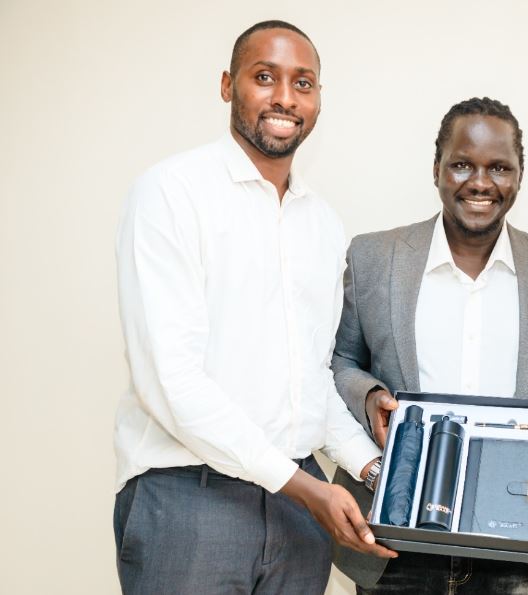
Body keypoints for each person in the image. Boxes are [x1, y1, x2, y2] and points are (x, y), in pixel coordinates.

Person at [113, 20, 395, 594]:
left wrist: (378, 472)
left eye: (304, 83)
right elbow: (171, 381)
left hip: (298, 513)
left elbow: (312, 380)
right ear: (227, 85)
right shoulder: (170, 193)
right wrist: (303, 486)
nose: (285, 98)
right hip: (189, 496)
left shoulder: (322, 222)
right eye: (264, 77)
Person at [330, 97, 528, 595]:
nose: (480, 182)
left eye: (499, 167)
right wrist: (368, 397)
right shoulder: (373, 256)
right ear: (436, 169)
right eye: (462, 164)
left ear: (519, 176)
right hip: (393, 540)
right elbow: (341, 361)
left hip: (516, 547)